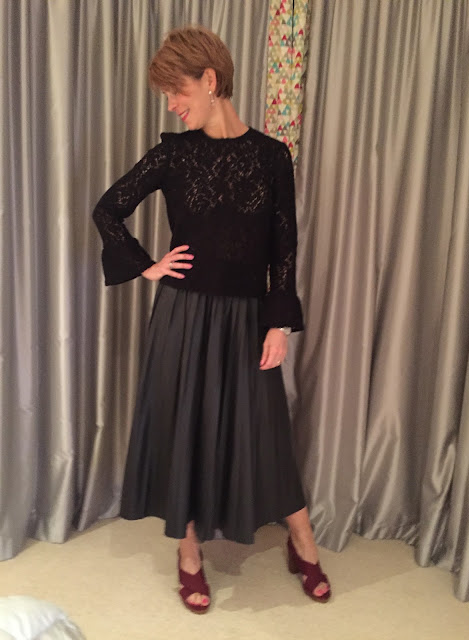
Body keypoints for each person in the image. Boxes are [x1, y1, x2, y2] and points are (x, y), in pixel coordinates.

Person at [92, 25, 331, 614]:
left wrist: (278, 323)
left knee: (265, 431)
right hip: (183, 316)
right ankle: (189, 551)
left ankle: (302, 540)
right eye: (167, 96)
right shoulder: (174, 154)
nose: (173, 104)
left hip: (248, 319)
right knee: (184, 428)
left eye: (177, 91)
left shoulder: (272, 157)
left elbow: (284, 250)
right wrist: (148, 266)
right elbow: (108, 209)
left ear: (210, 79)